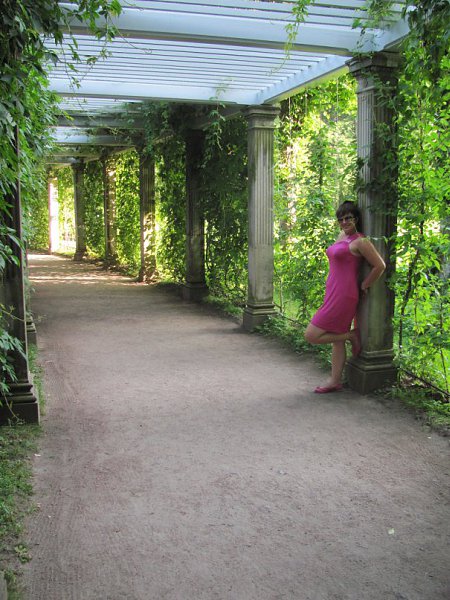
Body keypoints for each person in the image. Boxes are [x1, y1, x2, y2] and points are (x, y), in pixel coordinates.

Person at [304, 201, 386, 393]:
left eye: (348, 218)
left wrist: (365, 284)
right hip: (333, 291)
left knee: (311, 335)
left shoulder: (361, 241)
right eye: (340, 219)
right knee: (336, 340)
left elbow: (380, 265)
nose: (344, 222)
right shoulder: (342, 236)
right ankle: (334, 381)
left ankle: (351, 335)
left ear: (356, 218)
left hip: (344, 295)